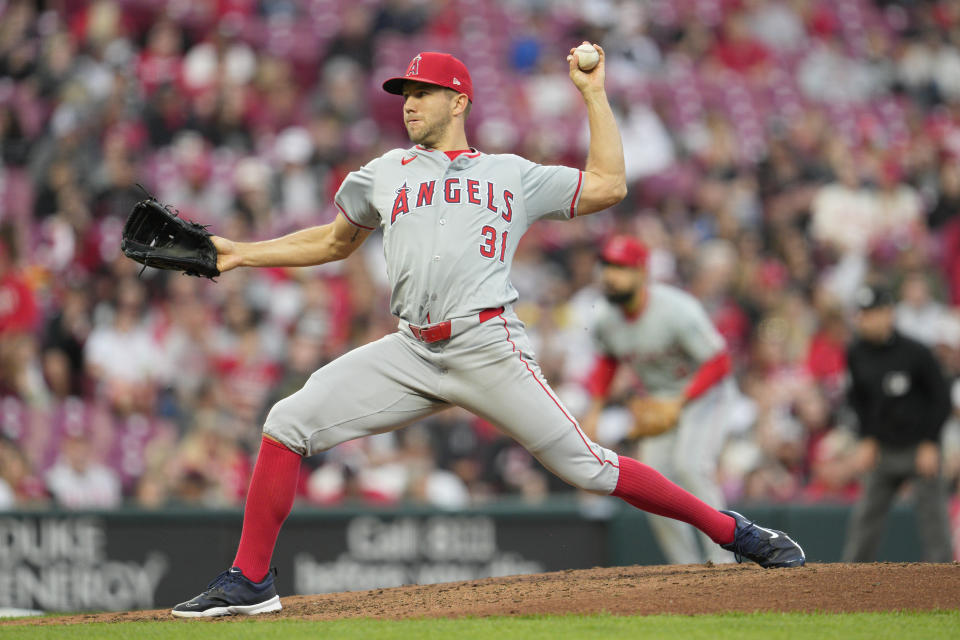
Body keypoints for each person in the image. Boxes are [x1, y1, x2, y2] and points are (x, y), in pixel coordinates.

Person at [172, 45, 805, 618]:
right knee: (286, 422)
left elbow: (610, 185)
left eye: (421, 92)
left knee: (587, 467)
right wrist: (236, 254)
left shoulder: (509, 173)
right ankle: (251, 580)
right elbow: (333, 241)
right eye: (404, 94)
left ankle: (734, 532)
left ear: (458, 100)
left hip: (487, 345)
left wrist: (592, 93)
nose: (409, 104)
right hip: (412, 347)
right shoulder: (384, 172)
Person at [581, 236, 736, 564]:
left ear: (641, 272)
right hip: (659, 399)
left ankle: (725, 557)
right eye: (607, 266)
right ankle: (687, 566)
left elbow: (719, 362)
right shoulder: (608, 320)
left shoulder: (677, 309)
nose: (610, 275)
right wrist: (595, 408)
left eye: (620, 268)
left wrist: (680, 402)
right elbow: (608, 361)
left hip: (704, 393)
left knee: (692, 466)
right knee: (651, 484)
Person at [842, 284, 954, 562]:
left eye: (872, 312)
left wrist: (931, 441)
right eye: (862, 313)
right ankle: (849, 582)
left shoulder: (916, 352)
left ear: (888, 313)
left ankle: (945, 583)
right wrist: (866, 436)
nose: (865, 319)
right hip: (882, 448)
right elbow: (857, 399)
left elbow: (940, 399)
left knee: (934, 522)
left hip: (919, 448)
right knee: (865, 519)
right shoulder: (856, 353)